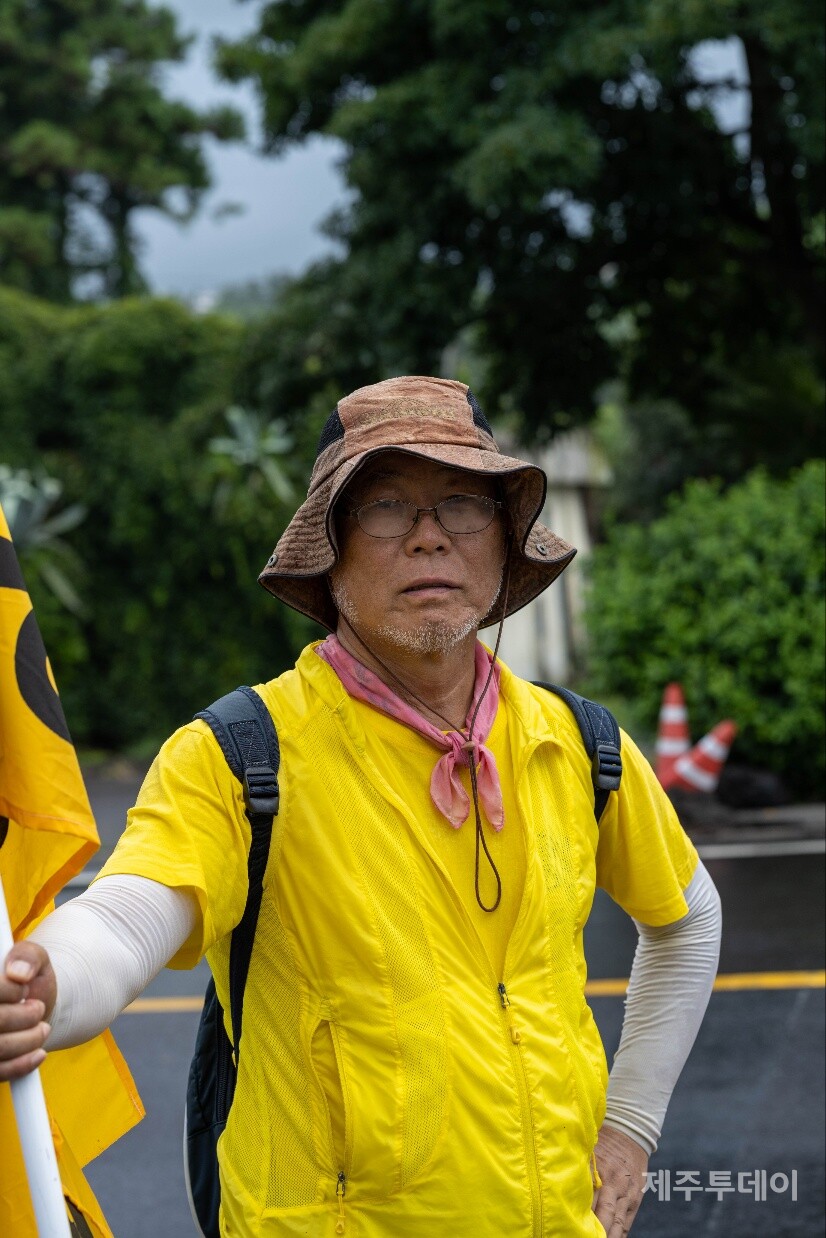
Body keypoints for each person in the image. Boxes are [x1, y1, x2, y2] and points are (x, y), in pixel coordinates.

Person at [0, 376, 721, 1237]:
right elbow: (126, 920)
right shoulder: (243, 754)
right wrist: (46, 983)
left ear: (502, 540)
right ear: (329, 549)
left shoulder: (577, 741)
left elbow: (689, 919)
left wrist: (631, 1127)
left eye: (463, 505)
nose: (428, 537)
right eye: (384, 506)